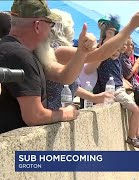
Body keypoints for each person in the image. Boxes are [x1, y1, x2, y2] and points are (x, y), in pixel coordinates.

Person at [0, 0, 96, 134]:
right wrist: (66, 113)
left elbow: (64, 77)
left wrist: (82, 52)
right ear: (38, 26)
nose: (51, 29)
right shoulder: (20, 56)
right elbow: (34, 116)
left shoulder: (12, 48)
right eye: (50, 24)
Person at [42, 9, 113, 110]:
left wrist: (93, 97)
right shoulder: (59, 50)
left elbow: (70, 84)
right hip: (55, 113)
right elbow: (99, 55)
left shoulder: (49, 50)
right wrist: (129, 28)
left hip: (59, 111)